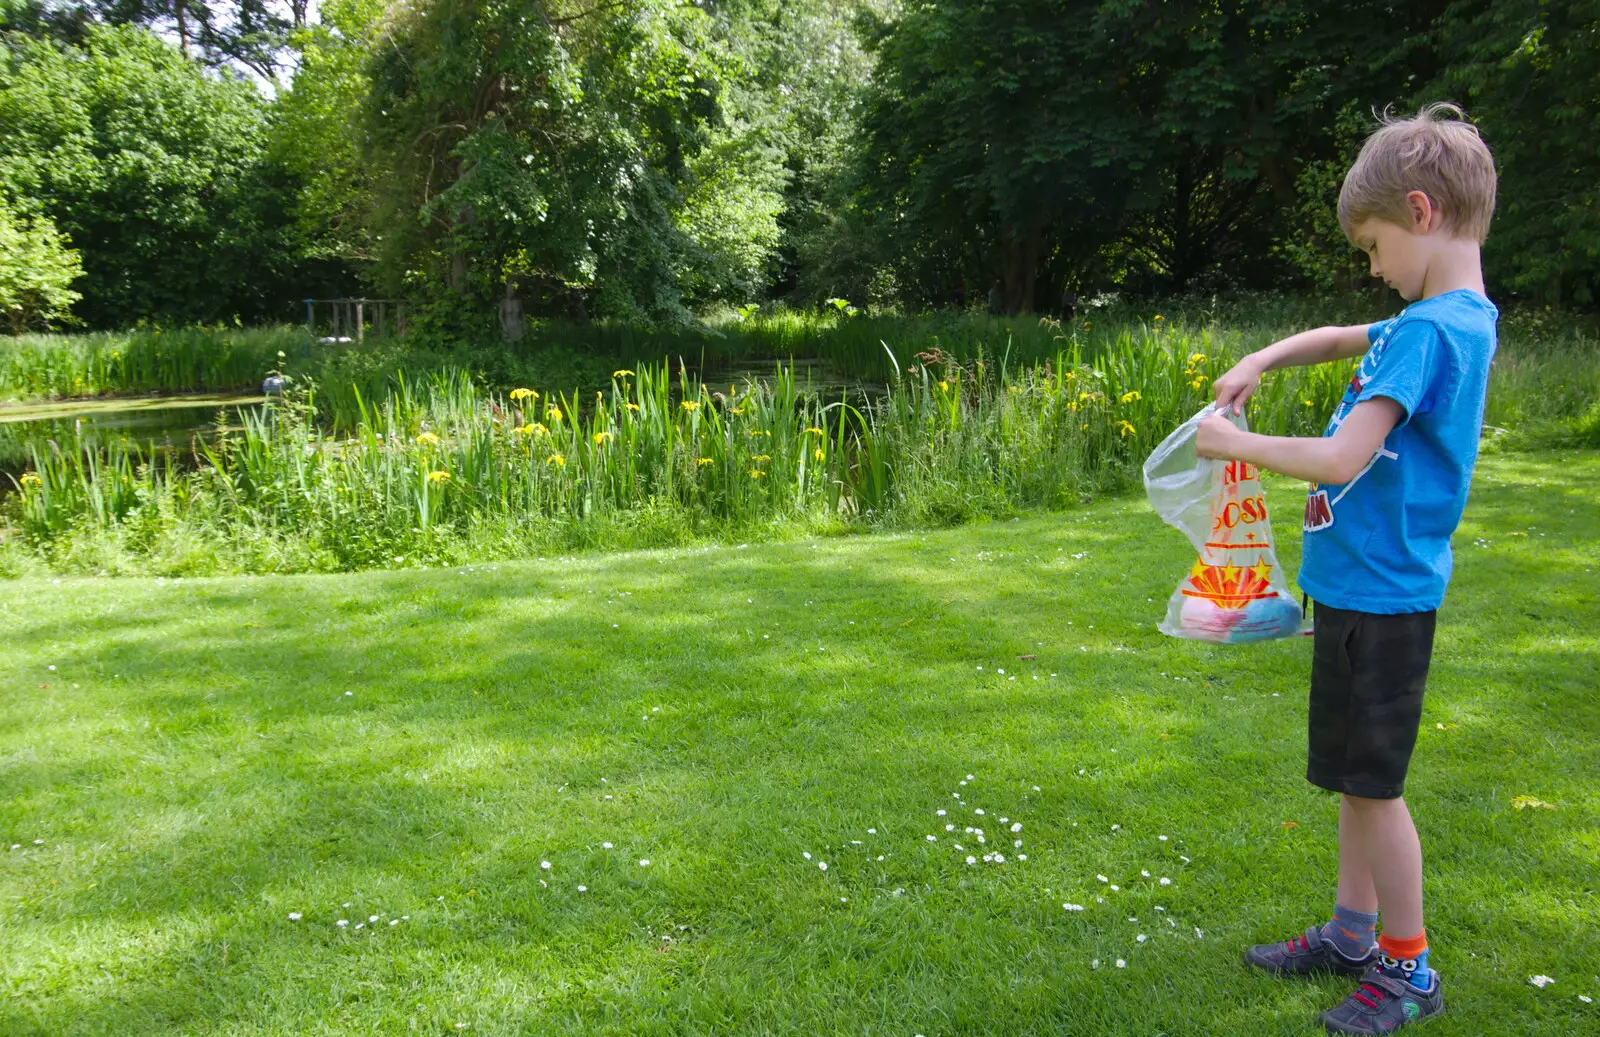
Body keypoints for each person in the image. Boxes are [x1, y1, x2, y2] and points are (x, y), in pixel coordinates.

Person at [1195, 102, 1499, 1034]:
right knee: (1354, 781)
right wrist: (1261, 358)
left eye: (1370, 247)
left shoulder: (1428, 331)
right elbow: (1335, 337)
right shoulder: (1451, 317)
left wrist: (1226, 440)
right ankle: (1351, 933)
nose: (1370, 268)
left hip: (1385, 595)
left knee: (1376, 788)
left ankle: (1407, 971)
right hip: (1363, 587)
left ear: (1419, 212)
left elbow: (1341, 460)